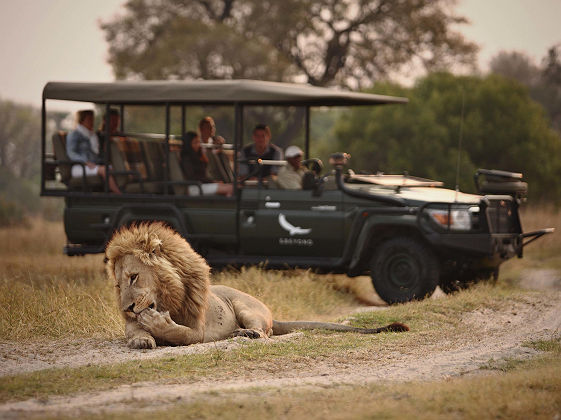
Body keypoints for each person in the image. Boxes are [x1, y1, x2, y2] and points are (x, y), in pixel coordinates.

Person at [66, 110, 121, 193]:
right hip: (80, 166)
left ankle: (119, 189)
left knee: (115, 168)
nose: (92, 122)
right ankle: (119, 194)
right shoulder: (74, 134)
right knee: (104, 170)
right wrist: (85, 162)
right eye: (89, 119)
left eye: (92, 119)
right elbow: (71, 153)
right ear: (82, 120)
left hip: (93, 165)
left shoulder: (92, 135)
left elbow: (96, 154)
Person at [181, 131, 233, 196]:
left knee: (231, 187)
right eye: (195, 143)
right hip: (194, 187)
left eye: (198, 142)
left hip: (202, 185)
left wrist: (212, 182)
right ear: (188, 144)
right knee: (230, 189)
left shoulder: (198, 156)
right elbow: (193, 177)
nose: (197, 145)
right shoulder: (186, 158)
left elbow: (203, 175)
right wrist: (212, 182)